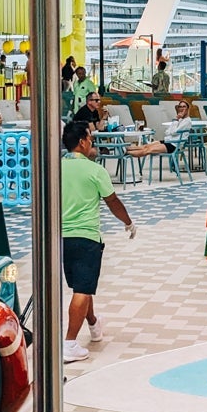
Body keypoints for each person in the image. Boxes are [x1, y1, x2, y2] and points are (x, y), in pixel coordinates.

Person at [60, 118, 135, 362]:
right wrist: (128, 222)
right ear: (81, 143)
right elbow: (112, 201)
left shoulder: (55, 167)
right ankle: (69, 343)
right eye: (90, 138)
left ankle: (93, 324)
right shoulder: (95, 170)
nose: (92, 141)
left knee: (82, 284)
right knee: (82, 290)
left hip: (60, 238)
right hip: (86, 237)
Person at [127, 99, 200, 160]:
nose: (182, 108)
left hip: (174, 145)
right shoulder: (179, 120)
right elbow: (167, 132)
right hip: (167, 141)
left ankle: (126, 153)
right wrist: (175, 123)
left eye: (184, 107)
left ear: (187, 109)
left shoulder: (187, 121)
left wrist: (176, 120)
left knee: (147, 150)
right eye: (180, 107)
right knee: (145, 146)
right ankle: (125, 149)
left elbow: (174, 132)